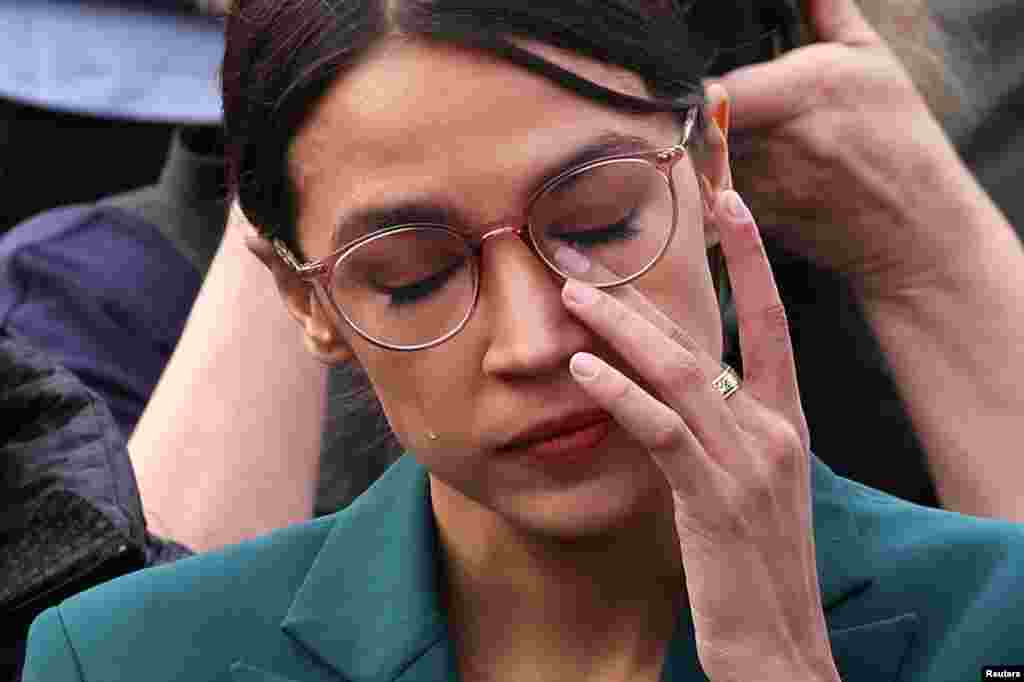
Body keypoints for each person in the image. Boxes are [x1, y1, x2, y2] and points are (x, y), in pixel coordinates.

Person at [23, 2, 1024, 682]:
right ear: (305, 298)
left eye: (595, 225)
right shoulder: (124, 656)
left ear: (709, 160)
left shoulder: (993, 612)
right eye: (413, 274)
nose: (534, 339)